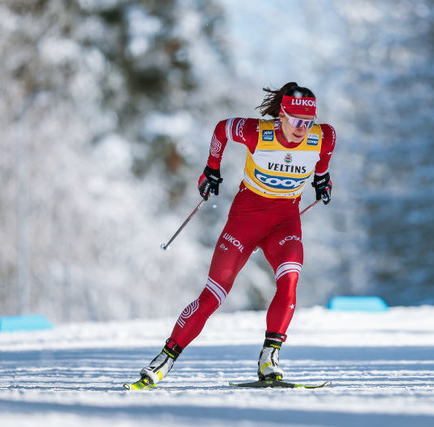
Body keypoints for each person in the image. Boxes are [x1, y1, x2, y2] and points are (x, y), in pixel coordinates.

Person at [134, 82, 335, 386]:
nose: (302, 129)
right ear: (281, 115)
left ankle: (270, 358)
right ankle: (164, 359)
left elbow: (323, 160)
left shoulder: (324, 136)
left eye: (308, 123)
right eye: (296, 121)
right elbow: (221, 129)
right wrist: (211, 169)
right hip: (245, 221)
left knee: (290, 280)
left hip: (285, 222)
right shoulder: (257, 132)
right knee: (214, 294)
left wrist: (321, 179)